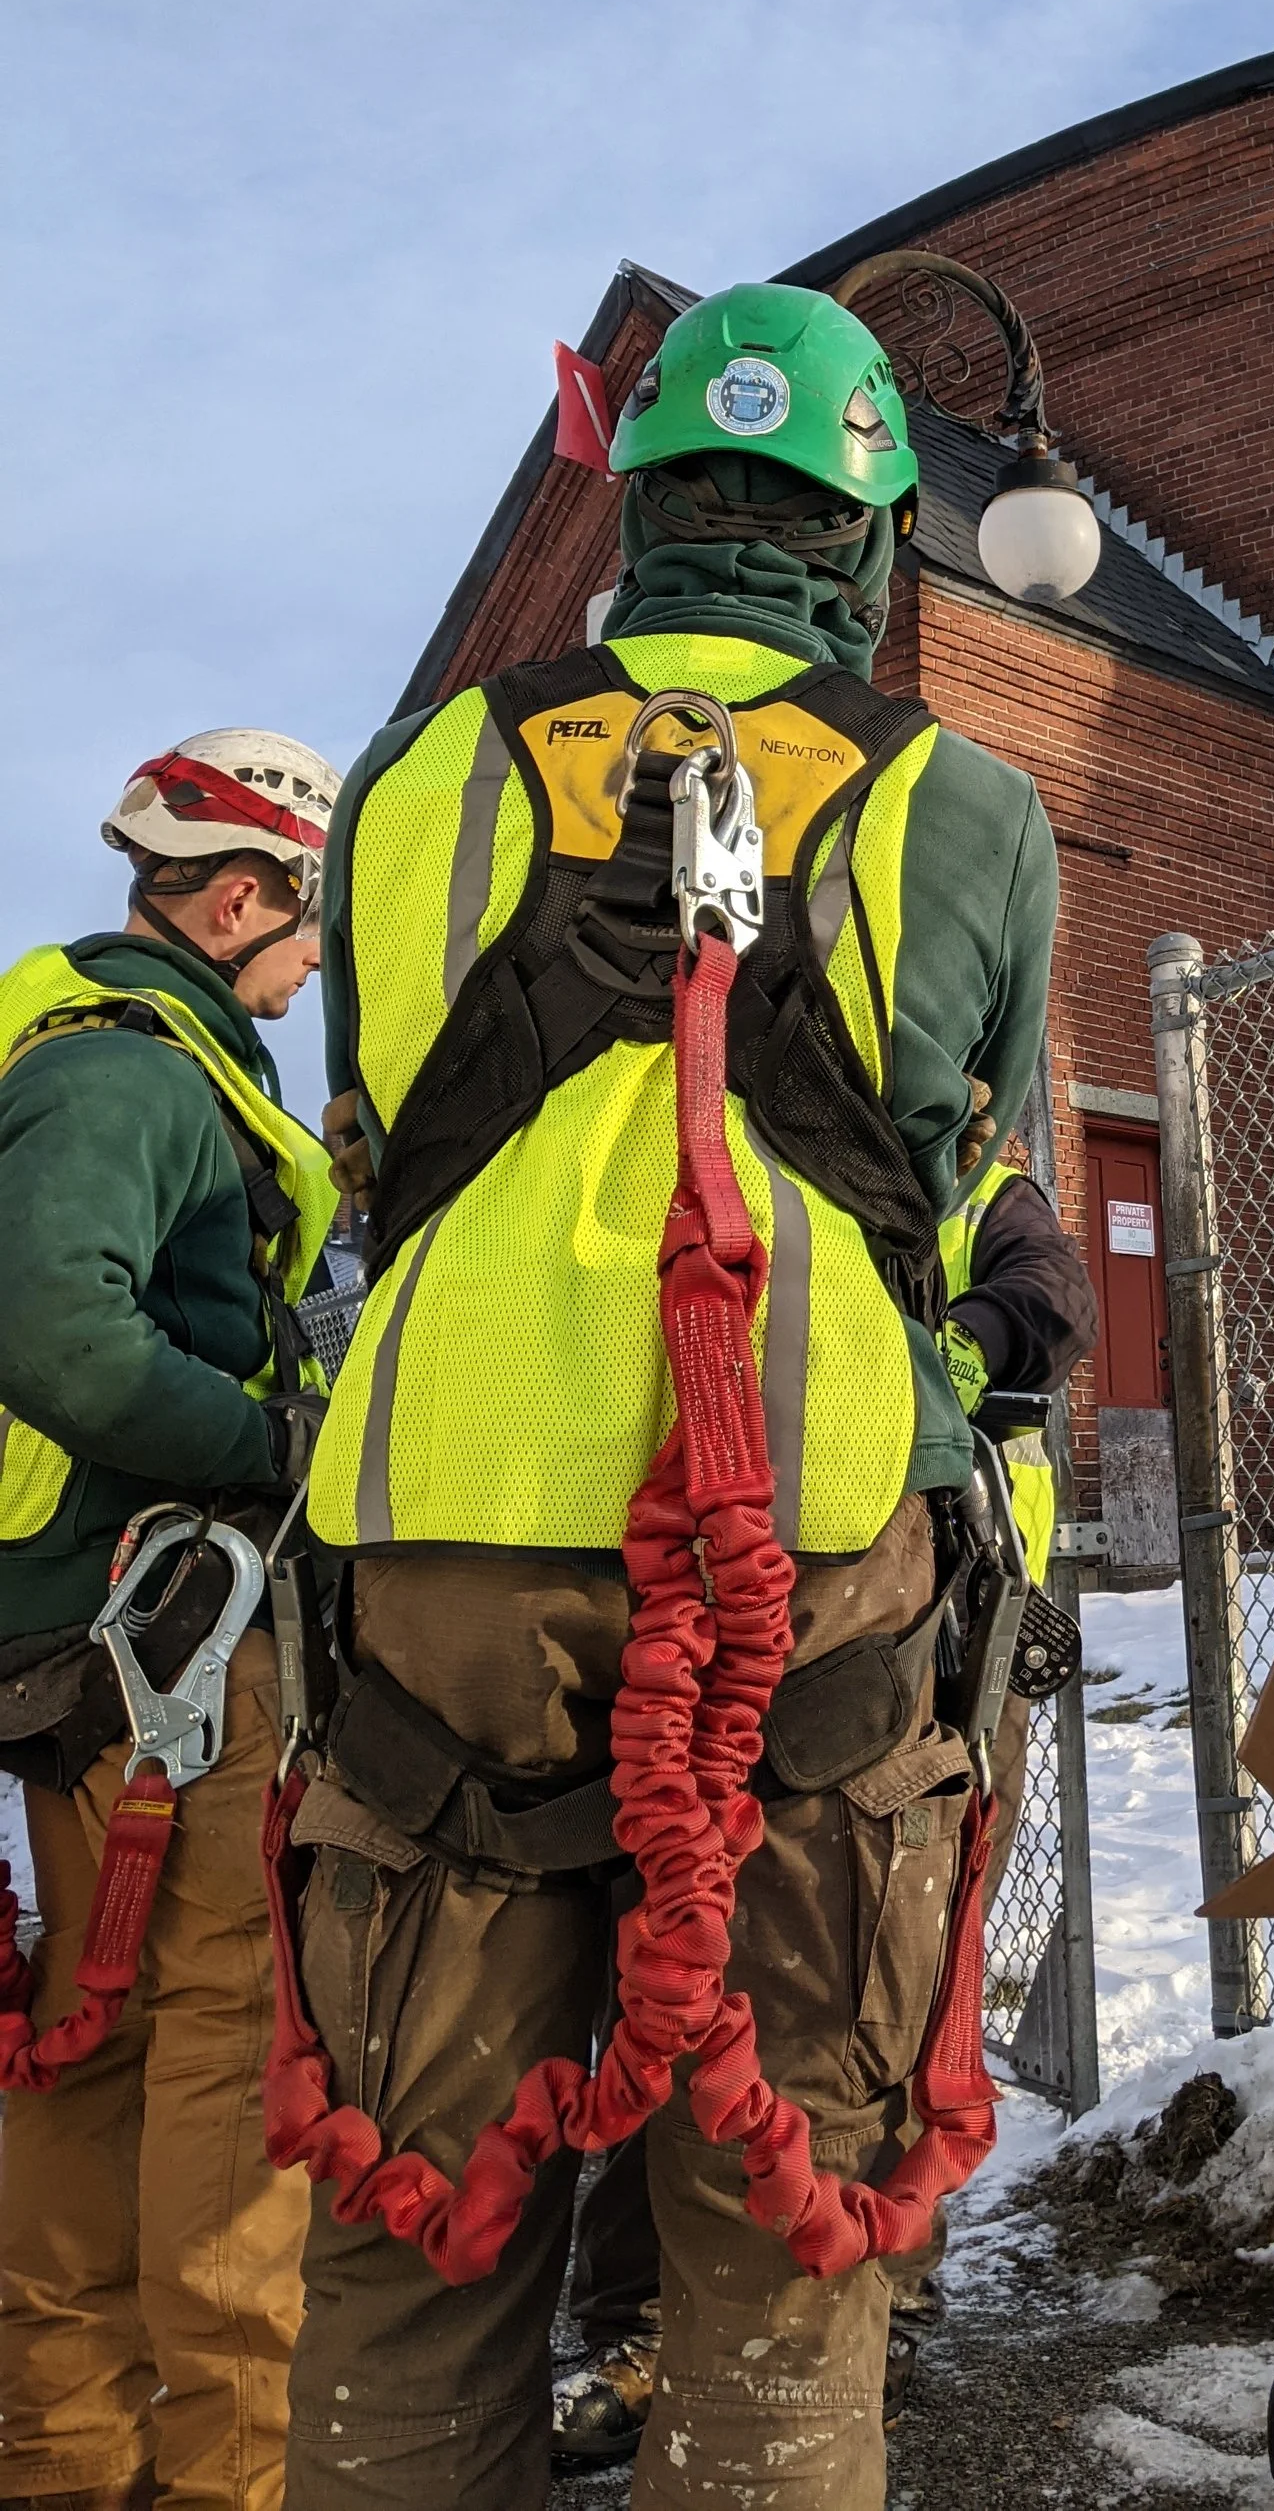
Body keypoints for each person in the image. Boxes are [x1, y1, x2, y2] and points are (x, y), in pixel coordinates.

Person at [283, 281, 1059, 2511]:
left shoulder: (417, 773)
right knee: (781, 2234)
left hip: (437, 1528)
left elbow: (379, 1132)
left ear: (639, 500)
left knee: (410, 2222)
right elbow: (956, 1158)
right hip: (798, 1546)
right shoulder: (962, 800)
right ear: (869, 532)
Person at [550, 1130, 1096, 2472]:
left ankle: (881, 2298)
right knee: (673, 1981)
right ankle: (641, 2328)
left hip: (946, 1647)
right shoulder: (740, 1175)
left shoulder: (979, 1206)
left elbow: (1050, 1303)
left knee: (890, 1986)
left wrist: (938, 1360)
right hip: (731, 1639)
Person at [0, 730, 339, 2511]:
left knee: (89, 2039)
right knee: (224, 2044)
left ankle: (64, 2469)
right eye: (306, 923)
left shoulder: (102, 1060)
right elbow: (60, 1332)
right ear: (235, 897)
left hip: (92, 1651)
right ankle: (230, 2483)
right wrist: (272, 1439)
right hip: (173, 1656)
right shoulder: (132, 1080)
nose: (313, 963)